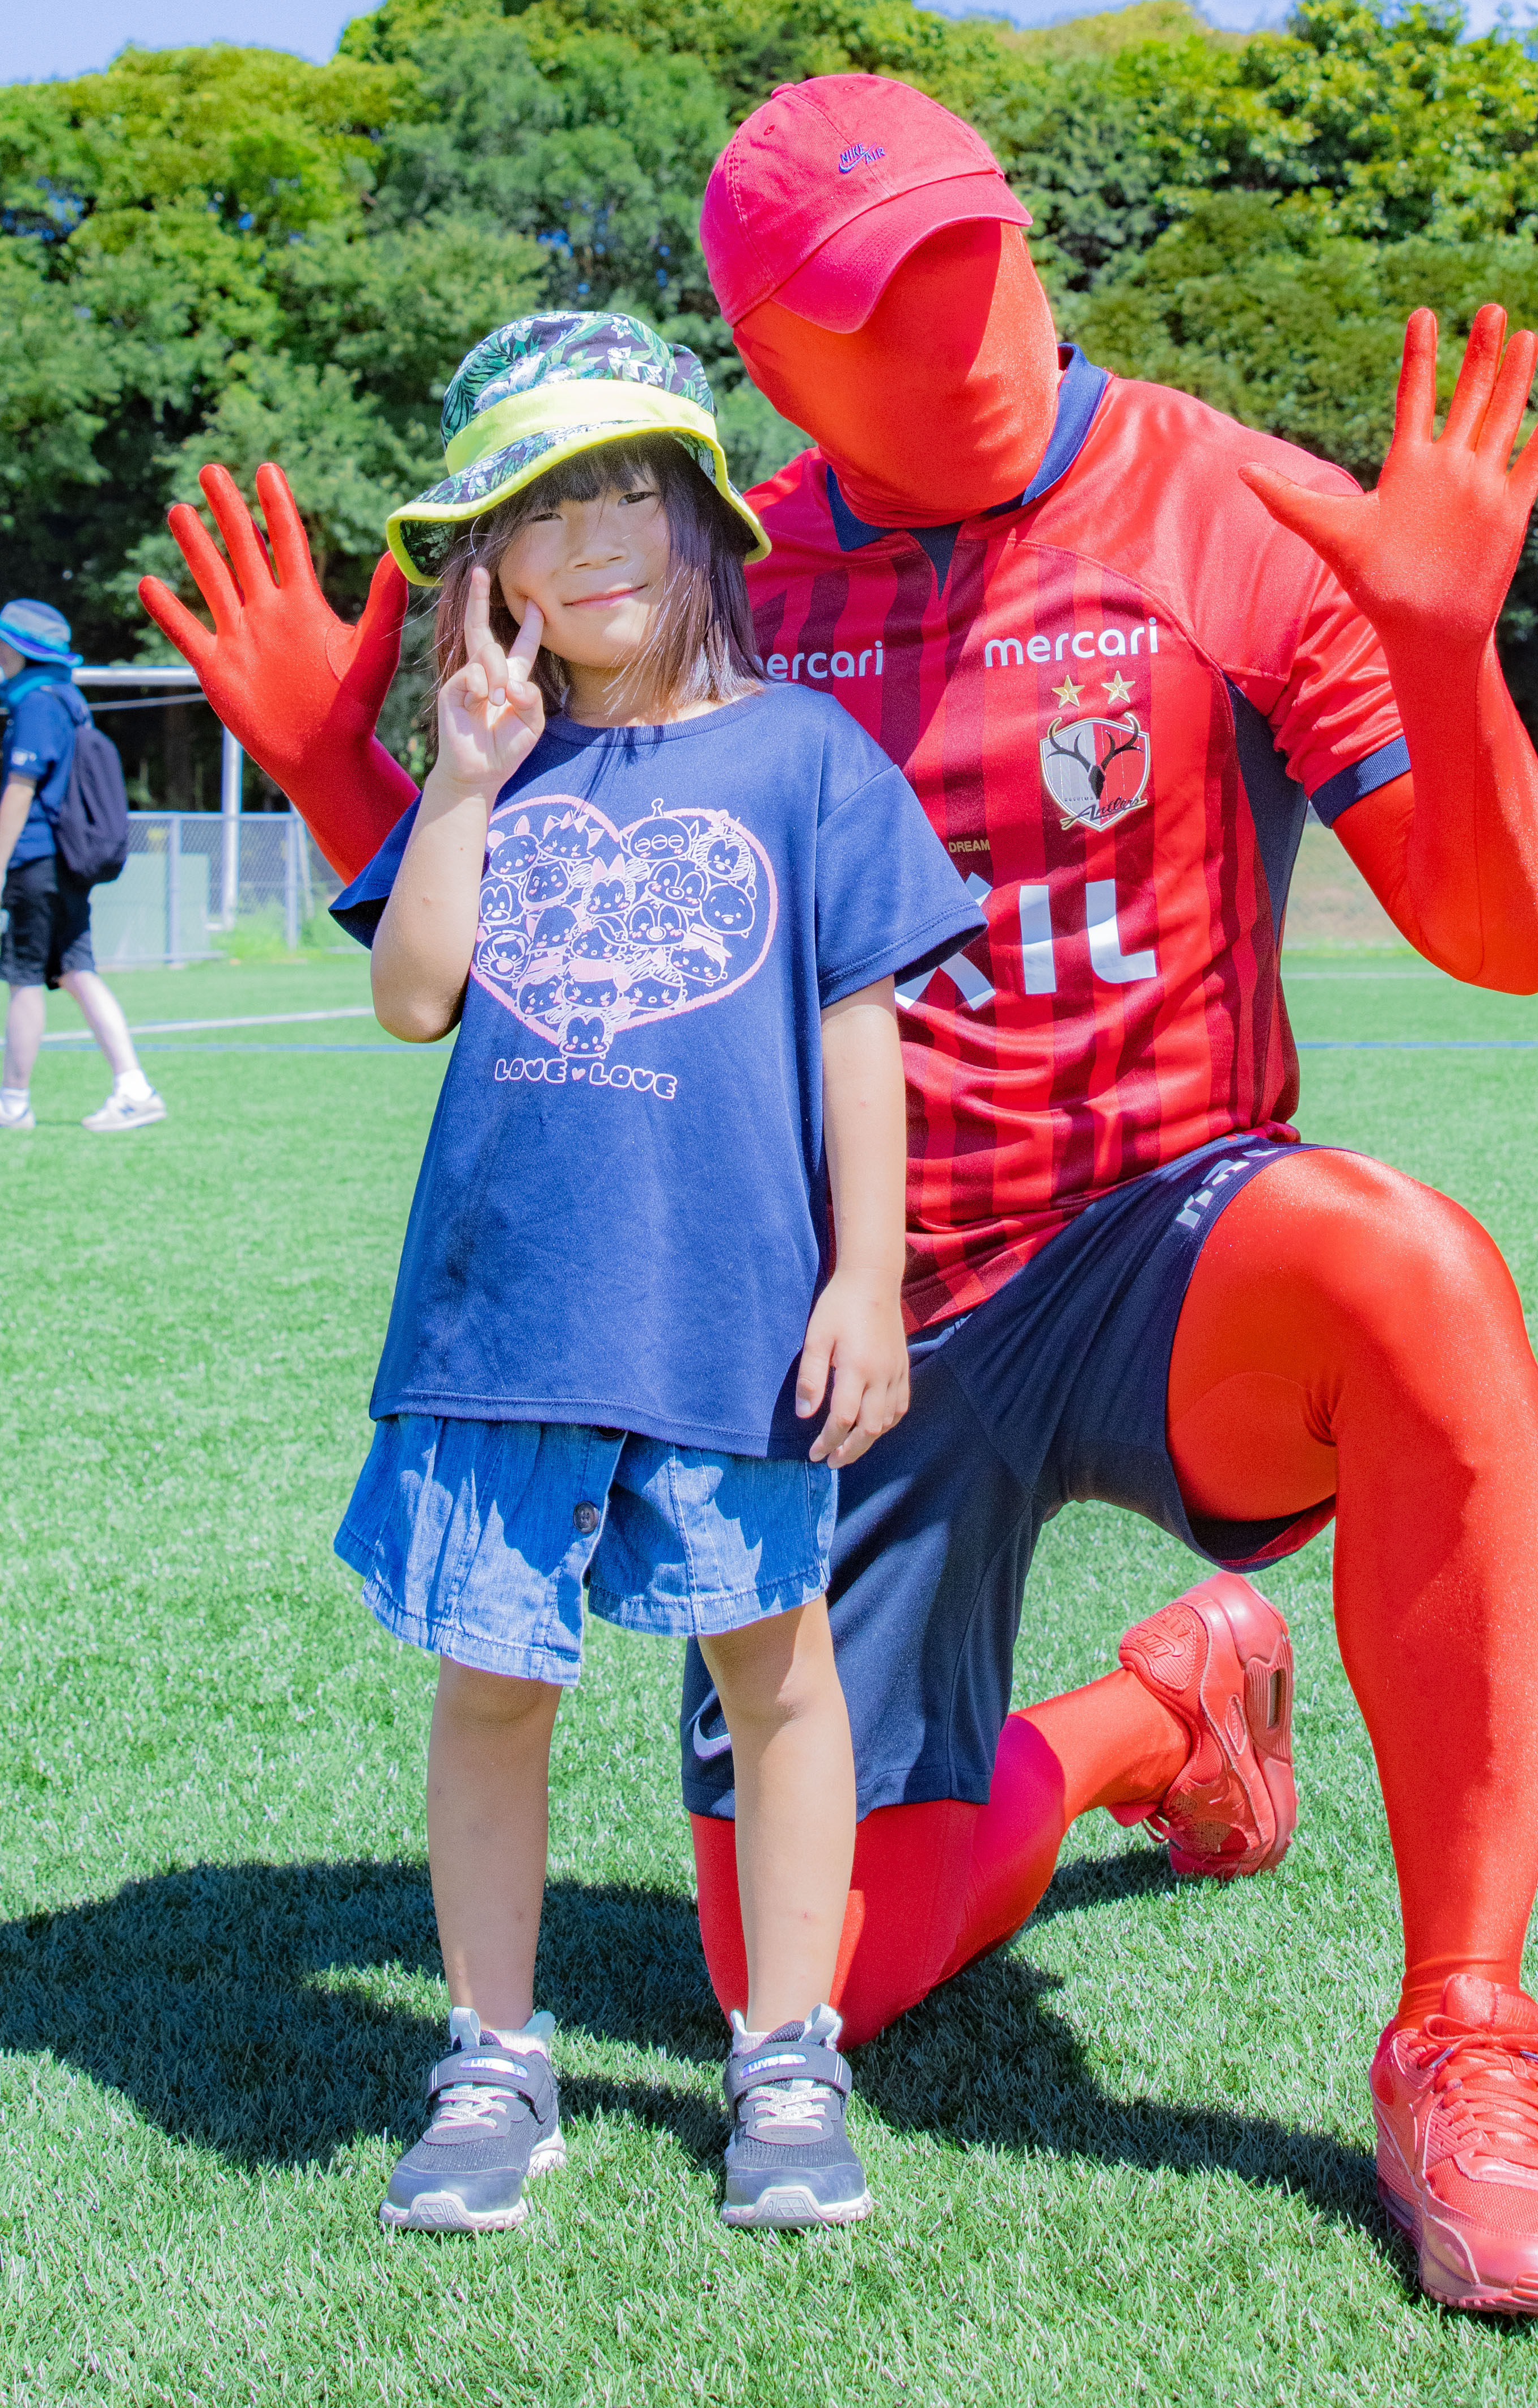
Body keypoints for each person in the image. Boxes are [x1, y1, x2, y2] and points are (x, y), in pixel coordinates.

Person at [142, 82, 1538, 2321]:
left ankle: (1466, 2027)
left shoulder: (1229, 508)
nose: (969, 341)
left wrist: (1436, 641)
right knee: (833, 1970)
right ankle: (1163, 1710)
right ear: (777, 371)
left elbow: (1507, 940)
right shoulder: (701, 583)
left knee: (1414, 1274)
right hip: (827, 1341)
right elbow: (510, 923)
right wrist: (332, 752)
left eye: (982, 264)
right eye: (884, 316)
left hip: (1159, 1242)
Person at [322, 313, 982, 2236]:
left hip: (731, 1317)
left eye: (623, 487)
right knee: (493, 1686)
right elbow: (412, 997)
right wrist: (459, 776)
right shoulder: (490, 766)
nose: (590, 538)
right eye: (539, 508)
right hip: (504, 1321)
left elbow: (862, 1037)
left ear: (694, 511)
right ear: (492, 570)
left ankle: (788, 2057)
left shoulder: (808, 755)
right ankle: (493, 2056)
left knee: (775, 1679)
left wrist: (869, 1278)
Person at [0, 598, 166, 1136]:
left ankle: (12, 1102)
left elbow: (22, 790)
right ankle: (134, 1089)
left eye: (1, 642)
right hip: (61, 863)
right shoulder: (66, 700)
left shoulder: (37, 705)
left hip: (37, 862)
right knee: (75, 971)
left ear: (22, 650)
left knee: (24, 979)